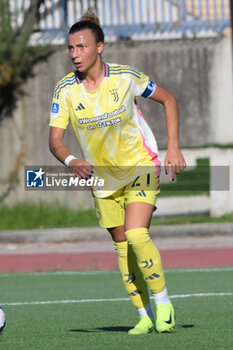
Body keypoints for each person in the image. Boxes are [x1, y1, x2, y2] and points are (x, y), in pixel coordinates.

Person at [49, 10, 186, 335]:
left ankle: (163, 301)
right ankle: (143, 314)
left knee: (138, 233)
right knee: (122, 245)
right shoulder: (65, 90)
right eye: (70, 48)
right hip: (102, 180)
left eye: (81, 47)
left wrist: (174, 146)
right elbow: (55, 141)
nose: (74, 54)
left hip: (139, 166)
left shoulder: (125, 77)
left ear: (100, 47)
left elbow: (168, 100)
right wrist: (71, 161)